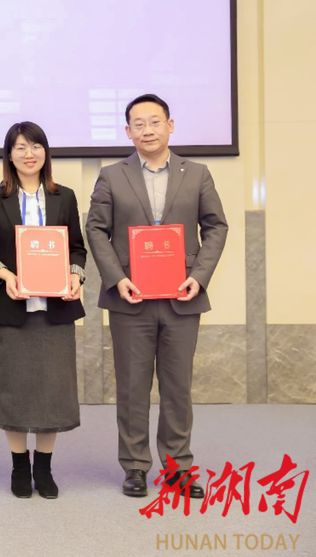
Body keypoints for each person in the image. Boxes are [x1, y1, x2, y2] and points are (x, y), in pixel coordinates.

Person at [85, 93, 228, 499]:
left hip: (183, 296)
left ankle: (178, 467)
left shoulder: (197, 173)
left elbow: (216, 227)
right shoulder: (112, 175)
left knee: (177, 387)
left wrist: (199, 276)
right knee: (132, 387)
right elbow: (96, 228)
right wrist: (116, 279)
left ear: (170, 125)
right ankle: (134, 466)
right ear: (127, 131)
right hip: (130, 298)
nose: (147, 130)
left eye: (154, 121)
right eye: (138, 124)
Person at [0, 122, 86, 499]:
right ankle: (20, 466)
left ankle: (44, 467)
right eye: (20, 147)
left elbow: (77, 248)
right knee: (16, 391)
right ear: (9, 155)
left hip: (55, 311)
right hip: (13, 310)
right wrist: (5, 276)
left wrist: (75, 276)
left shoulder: (64, 197)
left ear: (45, 152)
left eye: (35, 146)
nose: (29, 154)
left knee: (53, 392)